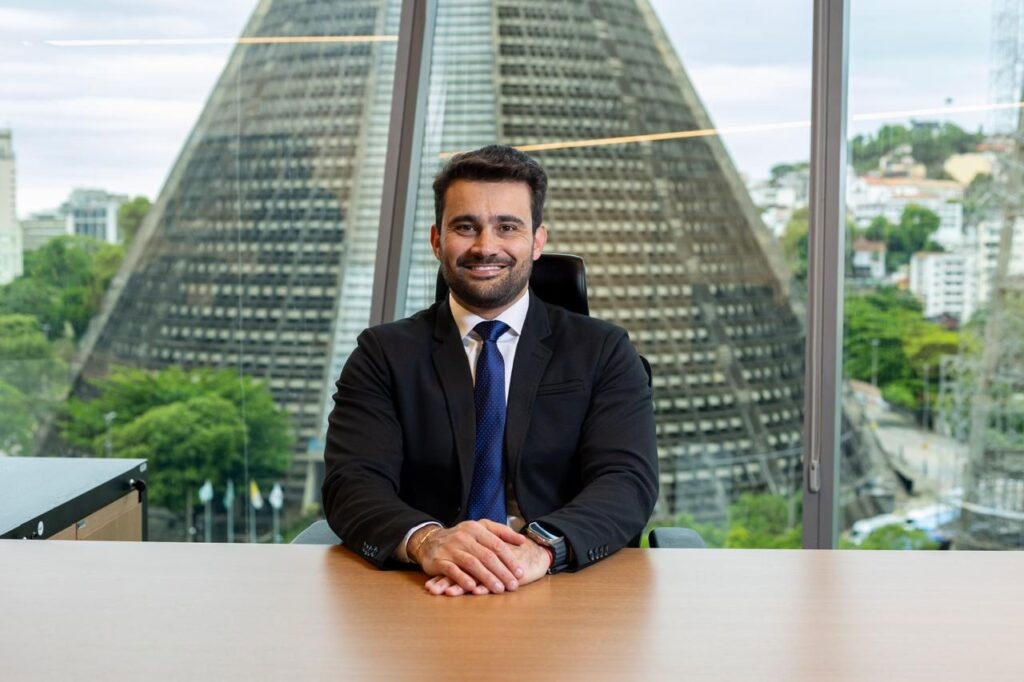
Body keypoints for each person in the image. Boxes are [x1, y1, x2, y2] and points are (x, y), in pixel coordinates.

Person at [322, 145, 657, 596]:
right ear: (437, 240)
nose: (485, 247)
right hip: (425, 584)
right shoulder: (382, 354)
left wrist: (541, 548)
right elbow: (352, 482)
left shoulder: (603, 351)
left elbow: (626, 481)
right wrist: (427, 540)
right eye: (465, 227)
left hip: (560, 582)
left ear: (537, 241)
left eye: (507, 227)